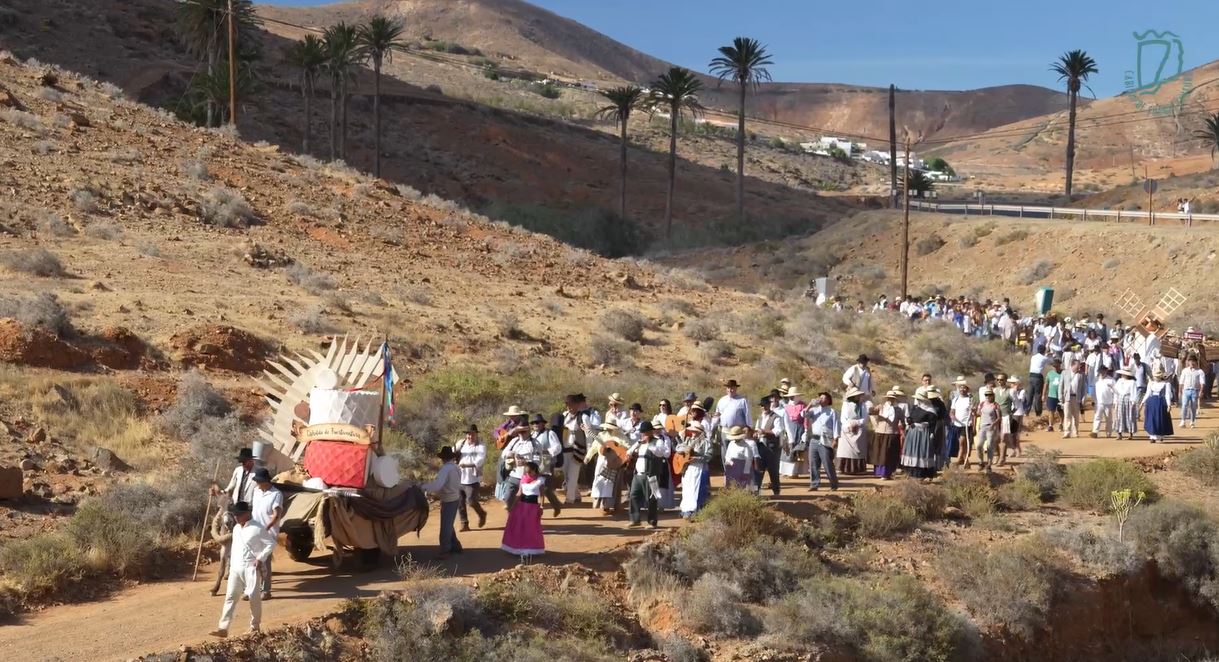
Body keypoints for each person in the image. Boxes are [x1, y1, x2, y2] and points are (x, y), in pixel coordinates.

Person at [209, 501, 276, 639]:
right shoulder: (236, 529)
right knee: (230, 597)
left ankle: (254, 627)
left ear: (246, 514)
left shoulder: (258, 528)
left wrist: (260, 558)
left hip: (250, 567)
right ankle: (223, 628)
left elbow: (271, 544)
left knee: (254, 598)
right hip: (235, 567)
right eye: (235, 515)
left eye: (238, 515)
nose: (236, 518)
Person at [421, 446, 463, 559]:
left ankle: (445, 550)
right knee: (448, 524)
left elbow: (438, 485)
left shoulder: (445, 469)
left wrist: (424, 487)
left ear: (443, 458)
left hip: (448, 499)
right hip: (454, 498)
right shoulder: (456, 468)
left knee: (445, 526)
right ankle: (455, 546)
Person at [627, 422, 669, 528]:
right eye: (642, 433)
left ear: (651, 432)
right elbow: (629, 451)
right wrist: (637, 444)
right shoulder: (640, 443)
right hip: (638, 475)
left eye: (645, 433)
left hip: (652, 475)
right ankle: (635, 520)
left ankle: (652, 522)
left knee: (652, 498)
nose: (643, 435)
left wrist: (649, 444)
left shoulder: (658, 442)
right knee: (633, 496)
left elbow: (660, 453)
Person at [500, 461, 545, 558]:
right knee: (520, 527)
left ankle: (530, 549)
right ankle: (518, 548)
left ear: (534, 471)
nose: (527, 474)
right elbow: (519, 494)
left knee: (531, 528)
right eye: (526, 472)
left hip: (533, 508)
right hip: (521, 507)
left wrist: (541, 507)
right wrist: (512, 506)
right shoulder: (523, 479)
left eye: (529, 472)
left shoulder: (540, 480)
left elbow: (541, 495)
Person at [249, 469, 282, 599]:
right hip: (254, 530)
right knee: (252, 559)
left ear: (265, 481)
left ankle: (266, 590)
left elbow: (277, 514)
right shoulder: (256, 492)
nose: (257, 483)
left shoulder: (276, 494)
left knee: (265, 560)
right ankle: (252, 589)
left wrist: (266, 528)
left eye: (259, 481)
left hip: (268, 532)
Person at [713, 379, 751, 484]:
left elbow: (747, 415)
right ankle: (728, 479)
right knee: (726, 456)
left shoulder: (742, 400)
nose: (731, 390)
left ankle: (739, 479)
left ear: (736, 388)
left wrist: (748, 428)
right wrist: (712, 427)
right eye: (729, 387)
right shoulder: (722, 400)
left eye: (733, 388)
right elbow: (717, 415)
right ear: (726, 389)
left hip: (738, 432)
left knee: (738, 455)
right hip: (725, 431)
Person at [901, 388, 941, 480]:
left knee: (921, 452)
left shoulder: (931, 411)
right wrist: (909, 421)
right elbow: (910, 417)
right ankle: (911, 473)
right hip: (913, 433)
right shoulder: (915, 408)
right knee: (912, 451)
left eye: (920, 399)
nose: (918, 401)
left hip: (923, 434)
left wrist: (928, 430)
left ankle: (921, 474)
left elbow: (932, 424)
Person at [804, 392, 840, 491]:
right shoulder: (814, 410)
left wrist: (836, 439)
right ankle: (814, 484)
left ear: (828, 400)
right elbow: (803, 415)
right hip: (814, 439)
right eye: (819, 397)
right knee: (813, 463)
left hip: (826, 439)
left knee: (827, 463)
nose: (820, 399)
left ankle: (833, 484)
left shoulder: (833, 412)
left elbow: (836, 426)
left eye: (823, 398)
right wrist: (810, 404)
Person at [677, 420, 713, 518]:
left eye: (695, 431)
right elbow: (678, 448)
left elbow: (709, 456)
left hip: (699, 468)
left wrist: (697, 458)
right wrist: (683, 450)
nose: (693, 432)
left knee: (696, 489)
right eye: (692, 431)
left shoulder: (706, 442)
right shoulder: (688, 440)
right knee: (687, 489)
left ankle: (696, 511)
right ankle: (686, 510)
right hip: (688, 468)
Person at [455, 424, 488, 531]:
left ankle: (482, 514)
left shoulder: (481, 446)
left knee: (471, 501)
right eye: (468, 434)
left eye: (472, 434)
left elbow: (479, 461)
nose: (470, 436)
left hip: (472, 478)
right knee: (460, 502)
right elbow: (453, 453)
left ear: (476, 435)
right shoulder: (461, 444)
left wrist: (466, 465)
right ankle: (464, 524)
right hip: (460, 477)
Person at [589, 421, 625, 514]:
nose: (609, 429)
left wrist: (619, 452)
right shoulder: (600, 435)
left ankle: (609, 506)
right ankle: (599, 505)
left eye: (611, 427)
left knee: (610, 484)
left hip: (614, 462)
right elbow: (593, 447)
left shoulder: (620, 436)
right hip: (601, 461)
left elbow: (626, 447)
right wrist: (587, 458)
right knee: (599, 483)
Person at [869, 387, 905, 479]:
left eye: (892, 398)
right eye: (889, 398)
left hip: (892, 434)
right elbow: (871, 412)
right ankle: (879, 472)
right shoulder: (881, 408)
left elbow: (903, 421)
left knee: (889, 455)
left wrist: (902, 429)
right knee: (879, 454)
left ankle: (887, 473)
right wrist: (874, 409)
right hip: (880, 433)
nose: (890, 400)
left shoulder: (898, 410)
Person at [502, 425, 539, 511]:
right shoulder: (514, 441)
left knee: (526, 502)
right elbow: (503, 454)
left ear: (529, 431)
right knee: (508, 498)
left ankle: (523, 520)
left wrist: (525, 462)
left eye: (523, 431)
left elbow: (537, 461)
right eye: (519, 431)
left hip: (528, 477)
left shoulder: (534, 443)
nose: (521, 433)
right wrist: (510, 455)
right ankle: (513, 517)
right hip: (514, 475)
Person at [754, 395, 784, 496]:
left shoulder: (776, 417)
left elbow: (777, 431)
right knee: (758, 471)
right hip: (760, 447)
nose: (763, 407)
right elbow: (756, 430)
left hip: (772, 448)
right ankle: (755, 492)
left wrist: (764, 431)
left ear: (769, 405)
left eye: (765, 405)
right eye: (762, 405)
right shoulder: (759, 418)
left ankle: (776, 492)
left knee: (773, 471)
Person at [837, 387, 870, 474]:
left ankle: (858, 468)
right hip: (847, 428)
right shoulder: (846, 404)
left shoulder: (863, 405)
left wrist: (857, 423)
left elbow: (865, 418)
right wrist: (849, 425)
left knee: (859, 447)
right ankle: (844, 468)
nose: (860, 396)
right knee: (846, 449)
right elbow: (843, 418)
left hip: (859, 427)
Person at [1142, 369, 1174, 443]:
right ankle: (1152, 436)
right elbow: (1147, 393)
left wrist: (1169, 405)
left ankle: (1160, 436)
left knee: (1160, 419)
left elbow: (1167, 395)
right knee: (1151, 419)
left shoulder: (1166, 384)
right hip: (1151, 402)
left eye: (1158, 376)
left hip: (1161, 402)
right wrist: (1142, 402)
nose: (1156, 378)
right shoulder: (1151, 383)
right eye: (1155, 376)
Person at [722, 425, 757, 490]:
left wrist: (746, 472)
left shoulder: (746, 446)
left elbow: (748, 459)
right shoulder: (731, 444)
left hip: (742, 468)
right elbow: (727, 455)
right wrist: (729, 462)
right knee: (731, 486)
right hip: (731, 468)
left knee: (743, 486)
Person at [1059, 361, 1086, 439]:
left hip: (1076, 397)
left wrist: (1083, 398)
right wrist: (1060, 397)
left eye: (1079, 367)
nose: (1079, 368)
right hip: (1067, 397)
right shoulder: (1065, 373)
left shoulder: (1081, 374)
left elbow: (1083, 387)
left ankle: (1075, 432)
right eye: (1077, 366)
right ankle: (1067, 432)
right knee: (1067, 415)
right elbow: (1061, 385)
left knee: (1076, 416)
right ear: (1072, 365)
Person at [949, 379, 973, 466]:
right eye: (961, 388)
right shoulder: (955, 399)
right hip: (957, 424)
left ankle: (959, 459)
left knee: (962, 442)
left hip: (966, 425)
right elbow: (952, 410)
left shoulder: (970, 400)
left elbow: (974, 412)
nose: (962, 390)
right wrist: (952, 415)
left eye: (964, 388)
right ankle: (966, 461)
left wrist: (973, 412)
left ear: (967, 389)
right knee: (961, 443)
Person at [1090, 368, 1117, 438]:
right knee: (1097, 417)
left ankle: (1108, 433)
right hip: (1098, 402)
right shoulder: (1096, 380)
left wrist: (1114, 401)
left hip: (1108, 402)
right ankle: (1095, 432)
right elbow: (1093, 391)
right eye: (1100, 372)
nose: (1101, 373)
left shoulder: (1111, 380)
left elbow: (1115, 392)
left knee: (1108, 419)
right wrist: (1093, 400)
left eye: (1103, 371)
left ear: (1106, 371)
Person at [1180, 356, 1205, 429]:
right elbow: (1181, 381)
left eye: (1192, 361)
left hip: (1195, 390)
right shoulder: (1185, 370)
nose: (1191, 363)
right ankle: (1183, 420)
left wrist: (1201, 391)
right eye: (1189, 361)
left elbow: (1202, 382)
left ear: (1195, 362)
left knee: (1193, 407)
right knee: (1184, 405)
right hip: (1186, 390)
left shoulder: (1200, 371)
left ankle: (1192, 421)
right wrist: (1180, 391)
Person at [1115, 368, 1138, 440]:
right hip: (1120, 399)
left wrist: (1133, 402)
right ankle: (1119, 433)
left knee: (1129, 416)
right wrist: (1115, 401)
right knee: (1119, 416)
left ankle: (1130, 433)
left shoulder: (1132, 382)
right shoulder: (1119, 381)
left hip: (1128, 400)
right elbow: (1116, 391)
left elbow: (1134, 392)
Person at [1027, 345, 1049, 417]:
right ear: (1044, 350)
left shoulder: (1033, 357)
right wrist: (1048, 354)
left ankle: (1026, 411)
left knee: (1030, 394)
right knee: (1038, 395)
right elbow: (1050, 361)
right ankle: (1038, 412)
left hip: (1031, 376)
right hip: (1038, 377)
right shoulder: (1044, 358)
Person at [1045, 359, 1063, 432]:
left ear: (1059, 365)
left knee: (1060, 411)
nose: (1055, 367)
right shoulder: (1049, 373)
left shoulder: (1063, 373)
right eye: (1054, 366)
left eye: (1057, 366)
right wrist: (1043, 394)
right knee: (1051, 411)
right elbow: (1046, 384)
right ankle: (1050, 426)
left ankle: (1061, 424)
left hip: (1060, 396)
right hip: (1051, 395)